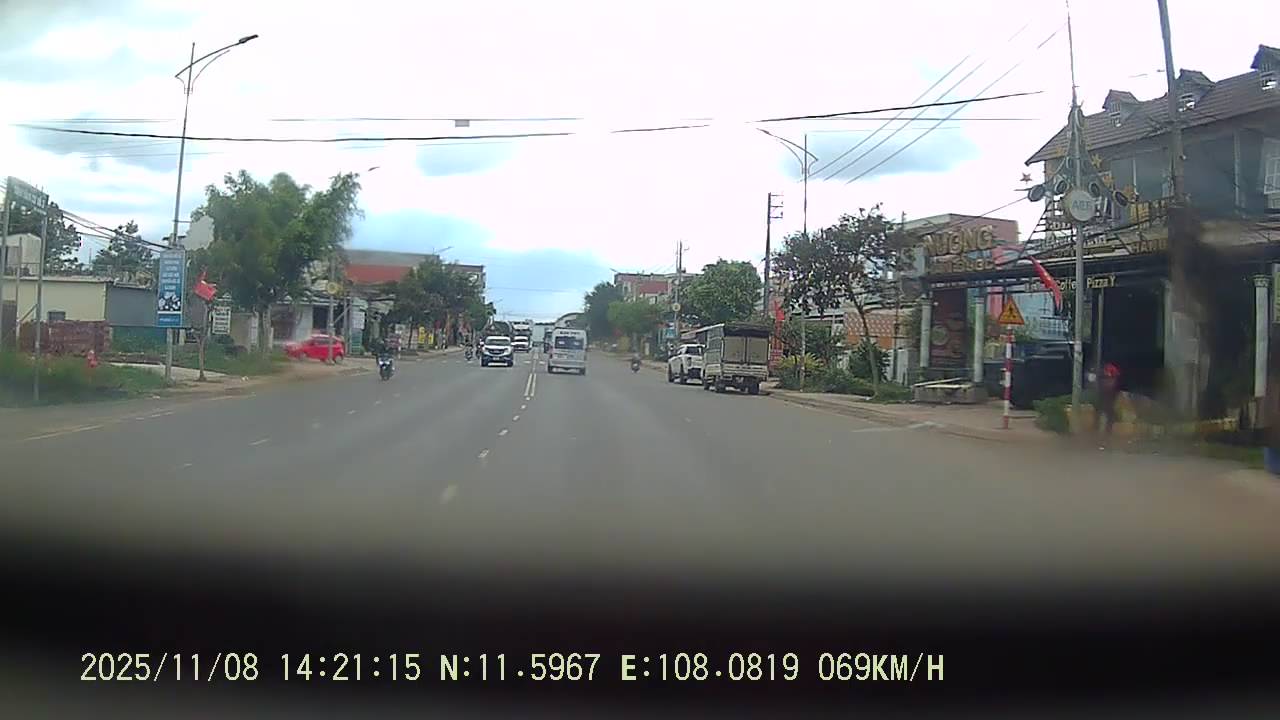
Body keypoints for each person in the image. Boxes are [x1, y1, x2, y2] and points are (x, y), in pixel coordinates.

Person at [1096, 362, 1121, 436]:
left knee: (1108, 413)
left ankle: (1106, 431)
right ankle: (1104, 431)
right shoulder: (1105, 379)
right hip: (1106, 399)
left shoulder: (1107, 377)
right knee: (1106, 412)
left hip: (1108, 399)